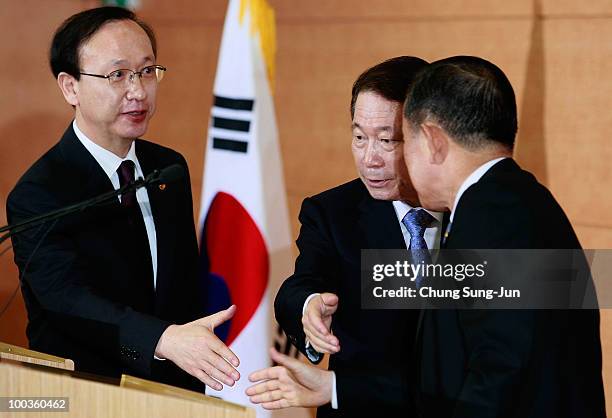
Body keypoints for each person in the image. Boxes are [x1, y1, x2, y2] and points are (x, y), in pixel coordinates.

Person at [6, 6, 240, 393]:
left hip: (172, 392)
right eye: (117, 75)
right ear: (70, 87)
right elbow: (68, 300)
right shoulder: (40, 192)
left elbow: (180, 287)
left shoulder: (168, 168)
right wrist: (163, 339)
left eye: (147, 71)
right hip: (84, 393)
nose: (138, 91)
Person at [402, 56, 605, 417]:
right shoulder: (521, 201)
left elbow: (501, 370)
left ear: (433, 139)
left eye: (405, 140)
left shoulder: (491, 217)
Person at [249, 56, 443, 417]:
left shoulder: (470, 209)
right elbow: (298, 287)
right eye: (358, 137)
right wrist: (309, 307)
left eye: (387, 140)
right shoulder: (334, 212)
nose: (369, 158)